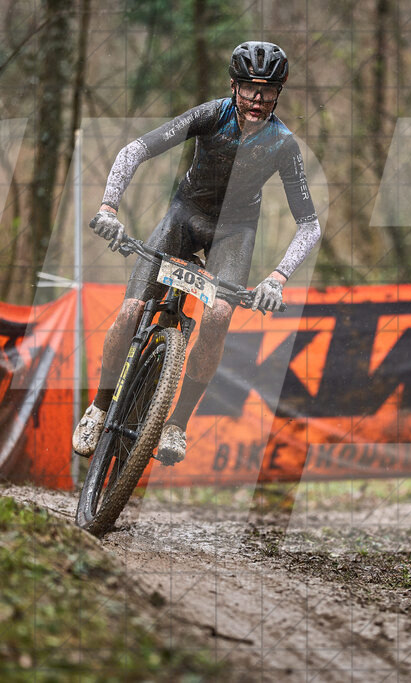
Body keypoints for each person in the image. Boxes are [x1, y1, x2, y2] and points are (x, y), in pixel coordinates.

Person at [72, 41, 321, 466]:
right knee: (132, 309)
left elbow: (309, 224)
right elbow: (135, 149)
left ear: (279, 93)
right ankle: (98, 405)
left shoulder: (284, 143)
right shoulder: (211, 114)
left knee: (220, 316)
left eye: (267, 90)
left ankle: (177, 423)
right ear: (233, 86)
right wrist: (108, 208)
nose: (257, 99)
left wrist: (277, 278)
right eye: (248, 88)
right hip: (184, 216)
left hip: (234, 232)